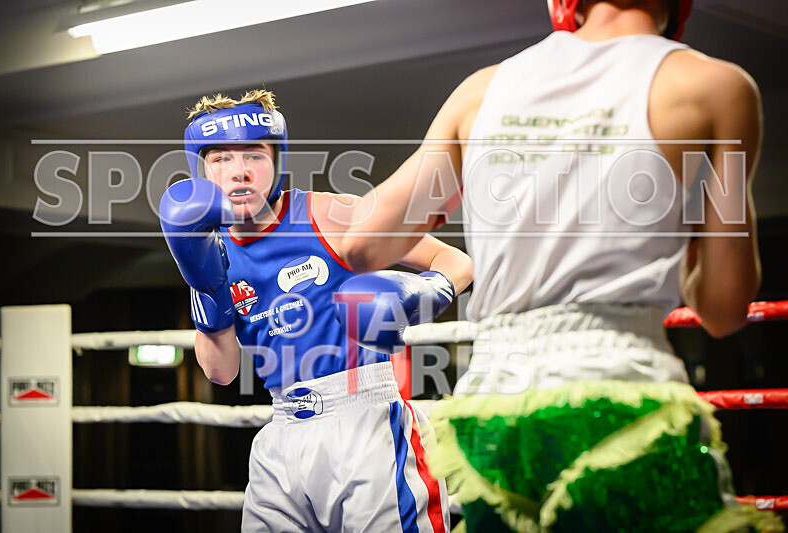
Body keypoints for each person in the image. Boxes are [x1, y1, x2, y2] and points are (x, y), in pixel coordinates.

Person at [337, 1, 782, 531]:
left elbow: (363, 244)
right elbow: (725, 309)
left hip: (493, 405)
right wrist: (675, 232)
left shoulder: (481, 91)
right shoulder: (715, 86)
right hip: (619, 389)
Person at [159, 90, 472, 532]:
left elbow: (456, 261)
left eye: (254, 155)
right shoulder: (210, 253)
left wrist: (427, 292)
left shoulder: (326, 213)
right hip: (283, 430)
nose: (239, 172)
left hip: (365, 420)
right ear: (202, 170)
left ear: (277, 158)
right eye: (221, 159)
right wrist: (204, 287)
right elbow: (221, 372)